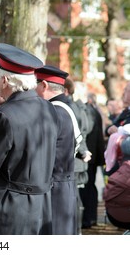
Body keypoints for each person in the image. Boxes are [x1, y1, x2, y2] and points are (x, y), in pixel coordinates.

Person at [0, 43, 58, 235]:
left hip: (6, 210)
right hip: (41, 206)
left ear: (5, 81)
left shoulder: (4, 115)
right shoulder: (48, 108)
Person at [35, 65, 78, 235]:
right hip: (63, 185)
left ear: (44, 86)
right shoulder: (64, 108)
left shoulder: (53, 112)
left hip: (54, 188)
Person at [64, 78, 92, 234]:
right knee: (75, 198)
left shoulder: (74, 108)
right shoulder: (78, 109)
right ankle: (77, 230)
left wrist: (83, 151)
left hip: (75, 159)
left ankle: (76, 230)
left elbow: (79, 133)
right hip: (79, 158)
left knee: (74, 199)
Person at [80, 92, 105, 228]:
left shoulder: (87, 111)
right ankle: (91, 218)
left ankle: (88, 219)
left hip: (87, 157)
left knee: (87, 188)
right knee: (90, 187)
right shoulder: (94, 111)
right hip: (92, 156)